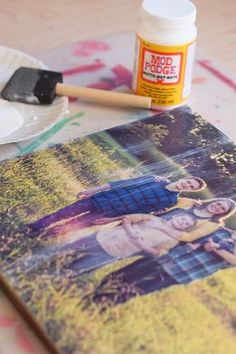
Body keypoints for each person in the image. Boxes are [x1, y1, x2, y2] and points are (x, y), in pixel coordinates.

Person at [92, 228, 236, 306]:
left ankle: (100, 305)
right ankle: (92, 293)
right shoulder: (218, 229)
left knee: (138, 289)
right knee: (123, 274)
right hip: (167, 257)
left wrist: (216, 248)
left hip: (184, 271)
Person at [22, 212, 198, 275]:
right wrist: (131, 231)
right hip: (103, 237)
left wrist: (143, 246)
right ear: (176, 216)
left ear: (186, 228)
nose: (182, 223)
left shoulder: (173, 239)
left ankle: (50, 276)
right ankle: (29, 263)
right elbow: (128, 218)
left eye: (186, 224)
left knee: (79, 267)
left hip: (116, 252)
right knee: (65, 249)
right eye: (182, 219)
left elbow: (159, 252)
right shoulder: (153, 219)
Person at [27, 175, 206, 235]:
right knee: (62, 214)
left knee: (73, 226)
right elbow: (121, 184)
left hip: (110, 212)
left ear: (191, 190)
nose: (187, 185)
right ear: (185, 178)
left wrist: (110, 220)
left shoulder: (170, 201)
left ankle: (44, 237)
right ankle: (33, 228)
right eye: (189, 181)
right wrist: (92, 190)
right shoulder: (154, 178)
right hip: (101, 198)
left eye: (191, 187)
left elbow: (142, 212)